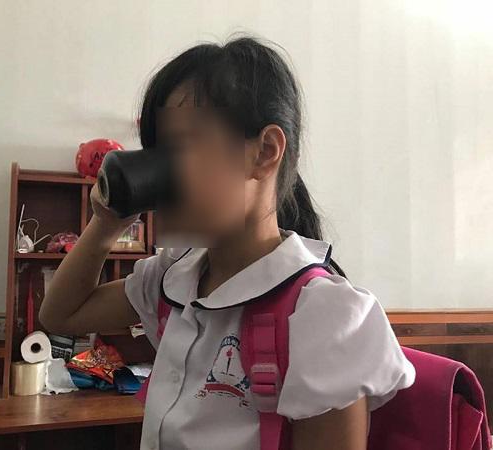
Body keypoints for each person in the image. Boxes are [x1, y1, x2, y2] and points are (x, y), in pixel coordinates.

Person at [39, 34, 415, 450]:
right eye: (154, 153)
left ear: (264, 152)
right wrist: (106, 224)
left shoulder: (323, 317)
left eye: (179, 147)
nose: (158, 176)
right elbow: (61, 314)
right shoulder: (173, 278)